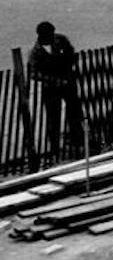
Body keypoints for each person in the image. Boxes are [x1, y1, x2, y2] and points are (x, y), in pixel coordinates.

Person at [27, 21, 83, 158]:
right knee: (53, 117)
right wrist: (54, 81)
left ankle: (78, 142)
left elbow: (71, 54)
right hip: (51, 88)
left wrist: (68, 71)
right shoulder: (36, 52)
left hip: (68, 82)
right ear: (42, 35)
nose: (52, 36)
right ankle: (55, 148)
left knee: (75, 111)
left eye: (53, 33)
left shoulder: (61, 40)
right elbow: (34, 73)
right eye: (49, 34)